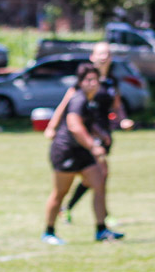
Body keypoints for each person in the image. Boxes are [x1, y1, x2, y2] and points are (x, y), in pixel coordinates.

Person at [45, 42, 134, 224]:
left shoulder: (111, 82)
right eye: (100, 53)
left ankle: (88, 216)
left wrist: (122, 119)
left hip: (101, 133)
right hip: (83, 138)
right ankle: (98, 217)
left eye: (107, 53)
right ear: (92, 57)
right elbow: (68, 111)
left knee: (96, 177)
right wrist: (52, 126)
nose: (104, 57)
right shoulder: (85, 81)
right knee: (98, 175)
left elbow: (116, 105)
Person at [42, 63, 123, 245]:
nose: (93, 83)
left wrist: (101, 134)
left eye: (95, 79)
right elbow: (74, 125)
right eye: (88, 80)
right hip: (66, 151)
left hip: (81, 150)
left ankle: (101, 229)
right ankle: (48, 232)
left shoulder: (89, 100)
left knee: (98, 183)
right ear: (80, 82)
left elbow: (87, 123)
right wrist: (93, 146)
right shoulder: (78, 99)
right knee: (60, 192)